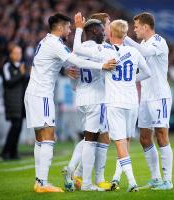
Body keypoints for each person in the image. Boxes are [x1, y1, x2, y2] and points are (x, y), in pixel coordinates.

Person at [24, 13, 116, 193]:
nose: (69, 30)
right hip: (42, 95)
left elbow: (51, 64)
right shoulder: (55, 43)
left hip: (33, 93)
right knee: (48, 137)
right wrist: (101, 66)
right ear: (60, 27)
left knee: (40, 140)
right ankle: (43, 183)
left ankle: (39, 181)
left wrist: (66, 72)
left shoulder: (45, 41)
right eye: (68, 27)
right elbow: (76, 60)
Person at [73, 15, 151, 191]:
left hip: (114, 103)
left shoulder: (104, 51)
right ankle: (118, 178)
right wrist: (131, 80)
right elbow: (148, 73)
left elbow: (77, 49)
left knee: (120, 144)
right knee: (127, 141)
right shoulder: (134, 52)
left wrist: (79, 28)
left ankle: (132, 183)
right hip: (132, 103)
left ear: (111, 33)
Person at [124, 12, 173, 190]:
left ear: (146, 27)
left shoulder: (158, 41)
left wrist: (125, 37)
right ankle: (156, 178)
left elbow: (143, 52)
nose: (134, 30)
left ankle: (168, 181)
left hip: (160, 96)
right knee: (144, 138)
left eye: (136, 27)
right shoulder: (143, 43)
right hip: (145, 97)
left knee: (161, 135)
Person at [64, 13, 112, 191]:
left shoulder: (78, 50)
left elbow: (73, 80)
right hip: (96, 99)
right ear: (93, 30)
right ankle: (85, 182)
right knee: (91, 141)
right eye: (101, 29)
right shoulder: (98, 50)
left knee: (89, 138)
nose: (103, 33)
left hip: (82, 98)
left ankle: (76, 173)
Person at [1, 45, 26, 160]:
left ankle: (13, 152)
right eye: (16, 53)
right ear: (10, 54)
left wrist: (26, 75)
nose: (18, 55)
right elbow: (8, 82)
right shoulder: (7, 66)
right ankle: (6, 151)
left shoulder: (21, 66)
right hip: (12, 101)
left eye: (19, 53)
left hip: (21, 101)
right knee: (16, 125)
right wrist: (21, 74)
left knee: (18, 126)